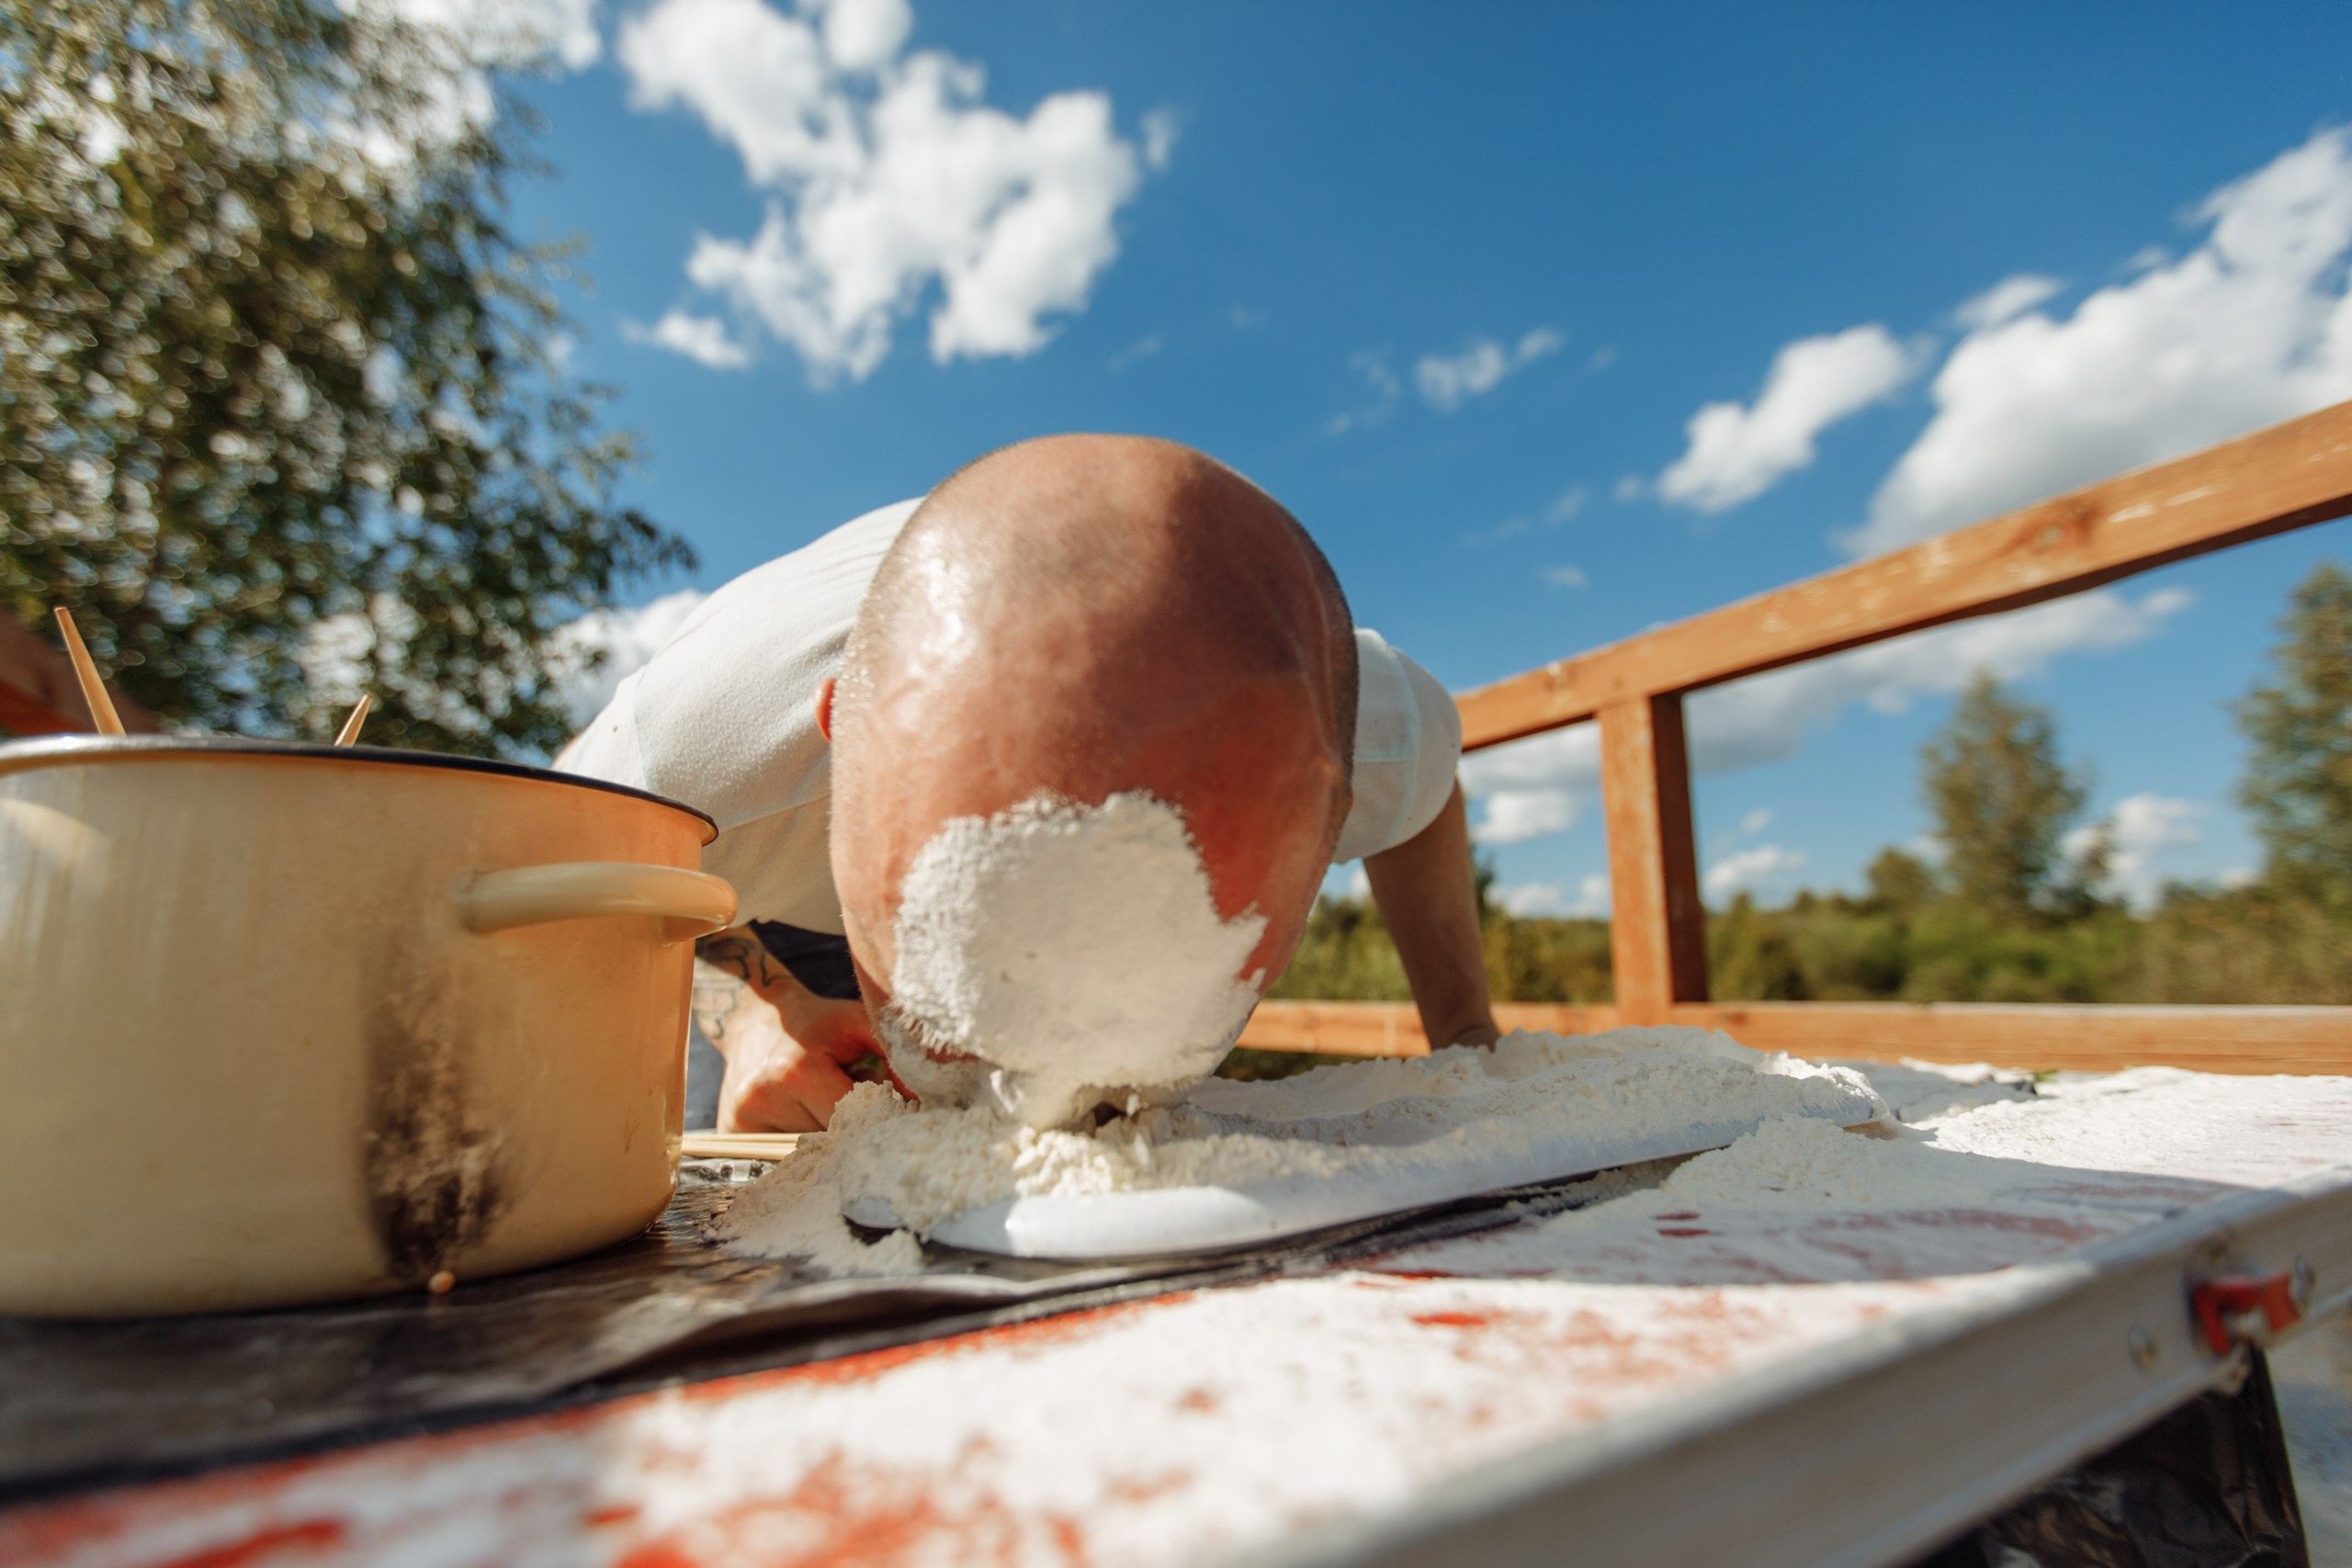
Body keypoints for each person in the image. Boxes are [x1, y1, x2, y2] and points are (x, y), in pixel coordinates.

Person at [560, 434, 1497, 1133]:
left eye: (1144, 1007)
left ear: (1325, 806)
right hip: (746, 919)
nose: (1021, 1087)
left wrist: (1465, 1040)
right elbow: (546, 941)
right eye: (953, 993)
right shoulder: (668, 766)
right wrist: (751, 1017)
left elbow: (1425, 800)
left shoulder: (1364, 727)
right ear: (842, 726)